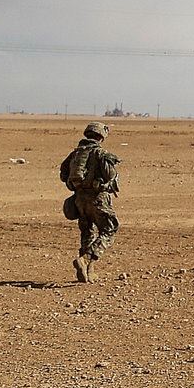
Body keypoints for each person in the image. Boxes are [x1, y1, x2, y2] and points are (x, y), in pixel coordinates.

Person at [59, 121, 121, 283]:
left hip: (79, 199)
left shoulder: (76, 153)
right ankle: (85, 260)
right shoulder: (101, 154)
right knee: (110, 229)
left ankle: (88, 272)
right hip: (98, 199)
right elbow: (110, 176)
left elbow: (63, 175)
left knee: (87, 232)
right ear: (102, 136)